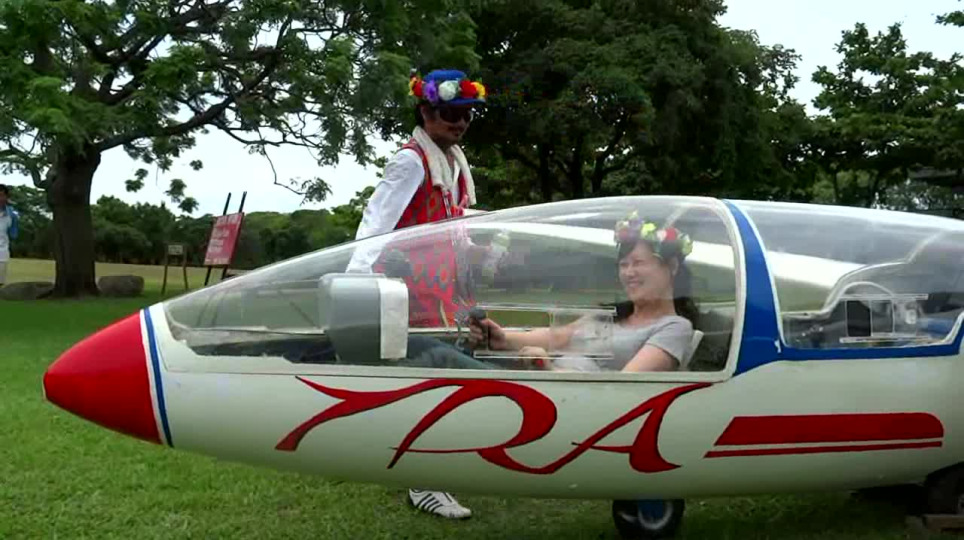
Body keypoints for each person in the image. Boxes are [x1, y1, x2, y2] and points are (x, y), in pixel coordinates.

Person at [344, 68, 489, 519]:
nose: (460, 123)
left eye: (467, 114)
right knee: (427, 381)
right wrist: (355, 283)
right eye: (450, 113)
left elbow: (454, 223)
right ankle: (423, 481)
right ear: (425, 112)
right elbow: (376, 221)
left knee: (451, 373)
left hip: (444, 289)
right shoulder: (411, 161)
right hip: (410, 291)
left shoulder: (454, 162)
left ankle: (434, 464)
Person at [470, 212, 698, 373]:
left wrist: (549, 371)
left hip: (566, 401)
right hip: (542, 385)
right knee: (448, 351)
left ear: (672, 267)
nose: (629, 273)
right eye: (623, 265)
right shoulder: (611, 315)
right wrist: (502, 338)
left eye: (638, 263)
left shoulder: (674, 328)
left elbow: (624, 387)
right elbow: (559, 336)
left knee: (448, 359)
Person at [0, 184, 20, 288]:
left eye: (1, 195)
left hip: (2, 253)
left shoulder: (12, 215)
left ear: (6, 197)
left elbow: (13, 234)